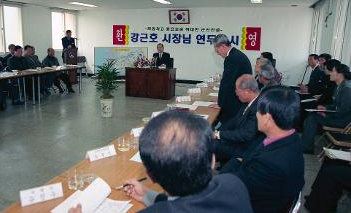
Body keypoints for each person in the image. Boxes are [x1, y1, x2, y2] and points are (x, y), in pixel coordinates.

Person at [120, 110, 252, 213]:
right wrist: (146, 195)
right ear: (213, 160)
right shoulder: (234, 185)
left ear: (150, 176)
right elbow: (188, 204)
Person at [220, 86, 305, 213]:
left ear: (268, 118)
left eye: (259, 111)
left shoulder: (270, 163)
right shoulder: (291, 138)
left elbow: (229, 188)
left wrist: (232, 163)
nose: (256, 114)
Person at [302, 63, 351, 154]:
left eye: (332, 71)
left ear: (340, 74)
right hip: (337, 116)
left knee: (313, 118)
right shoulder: (339, 86)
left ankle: (307, 147)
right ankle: (306, 144)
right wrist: (325, 108)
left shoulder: (347, 89)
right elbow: (335, 105)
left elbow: (343, 111)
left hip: (342, 120)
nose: (330, 73)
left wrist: (326, 113)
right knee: (312, 114)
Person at [213, 74, 261, 161]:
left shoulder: (258, 107)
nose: (235, 92)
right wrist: (218, 132)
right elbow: (235, 120)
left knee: (206, 144)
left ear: (248, 91)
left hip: (245, 148)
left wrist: (219, 135)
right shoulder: (249, 101)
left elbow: (246, 134)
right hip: (239, 140)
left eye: (238, 90)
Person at [213, 34, 252, 124]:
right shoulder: (236, 54)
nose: (217, 53)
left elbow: (227, 83)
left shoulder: (231, 58)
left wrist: (220, 104)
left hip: (236, 100)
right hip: (241, 96)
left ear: (223, 46)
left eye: (217, 50)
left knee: (225, 122)